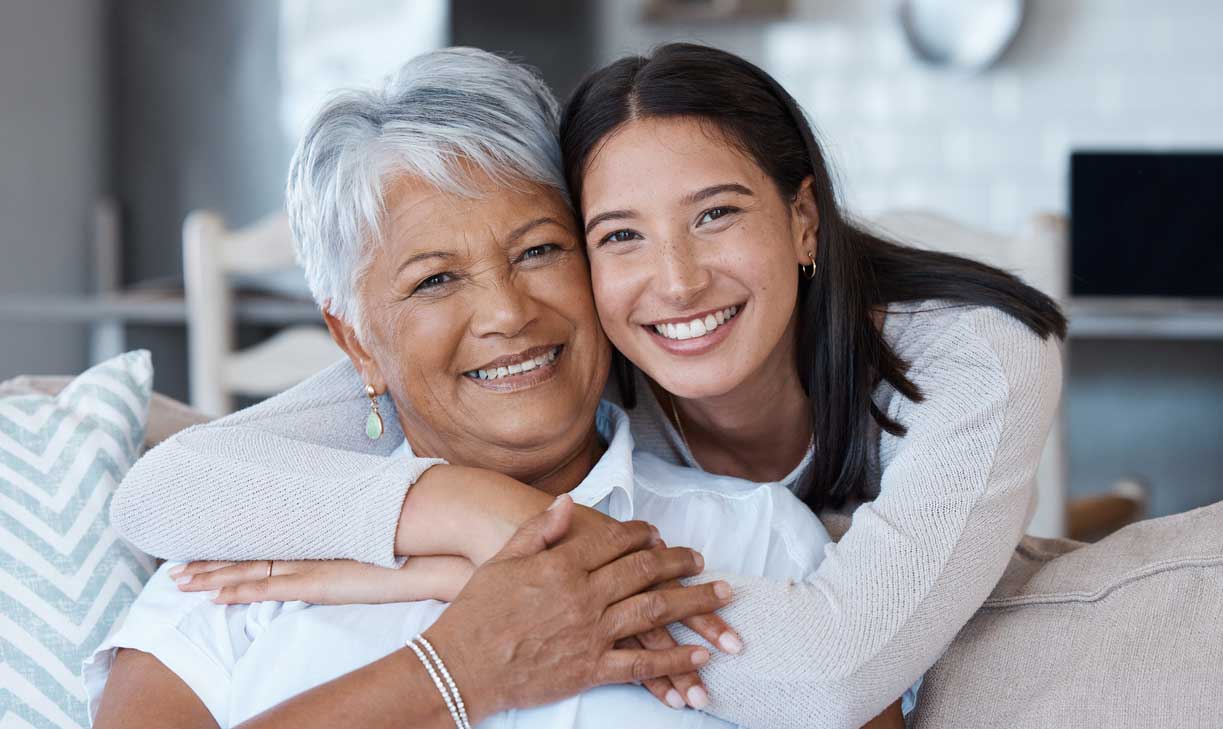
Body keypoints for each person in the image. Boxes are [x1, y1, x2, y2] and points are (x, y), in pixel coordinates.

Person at [111, 44, 1064, 728]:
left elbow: (834, 673)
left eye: (537, 252)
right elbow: (159, 488)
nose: (507, 314)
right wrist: (463, 637)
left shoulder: (780, 523)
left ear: (802, 222)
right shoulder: (240, 568)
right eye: (435, 278)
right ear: (356, 341)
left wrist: (526, 575)